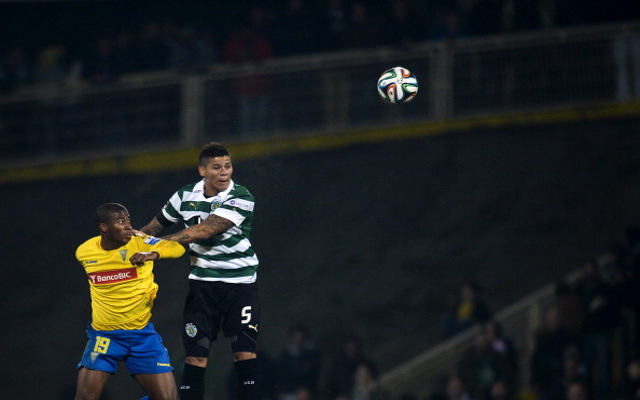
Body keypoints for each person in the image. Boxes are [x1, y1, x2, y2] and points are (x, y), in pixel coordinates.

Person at [139, 142, 261, 400]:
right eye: (216, 167)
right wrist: (124, 243)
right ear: (202, 171)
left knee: (244, 352)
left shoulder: (241, 197)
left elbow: (204, 230)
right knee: (195, 355)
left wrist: (158, 246)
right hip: (202, 285)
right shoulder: (184, 196)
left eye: (227, 166)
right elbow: (151, 229)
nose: (224, 172)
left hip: (239, 284)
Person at [74, 203, 186, 400]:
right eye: (120, 222)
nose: (128, 226)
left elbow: (176, 248)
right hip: (105, 336)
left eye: (128, 221)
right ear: (104, 227)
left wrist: (152, 254)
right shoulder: (84, 252)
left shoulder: (140, 242)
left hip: (141, 336)